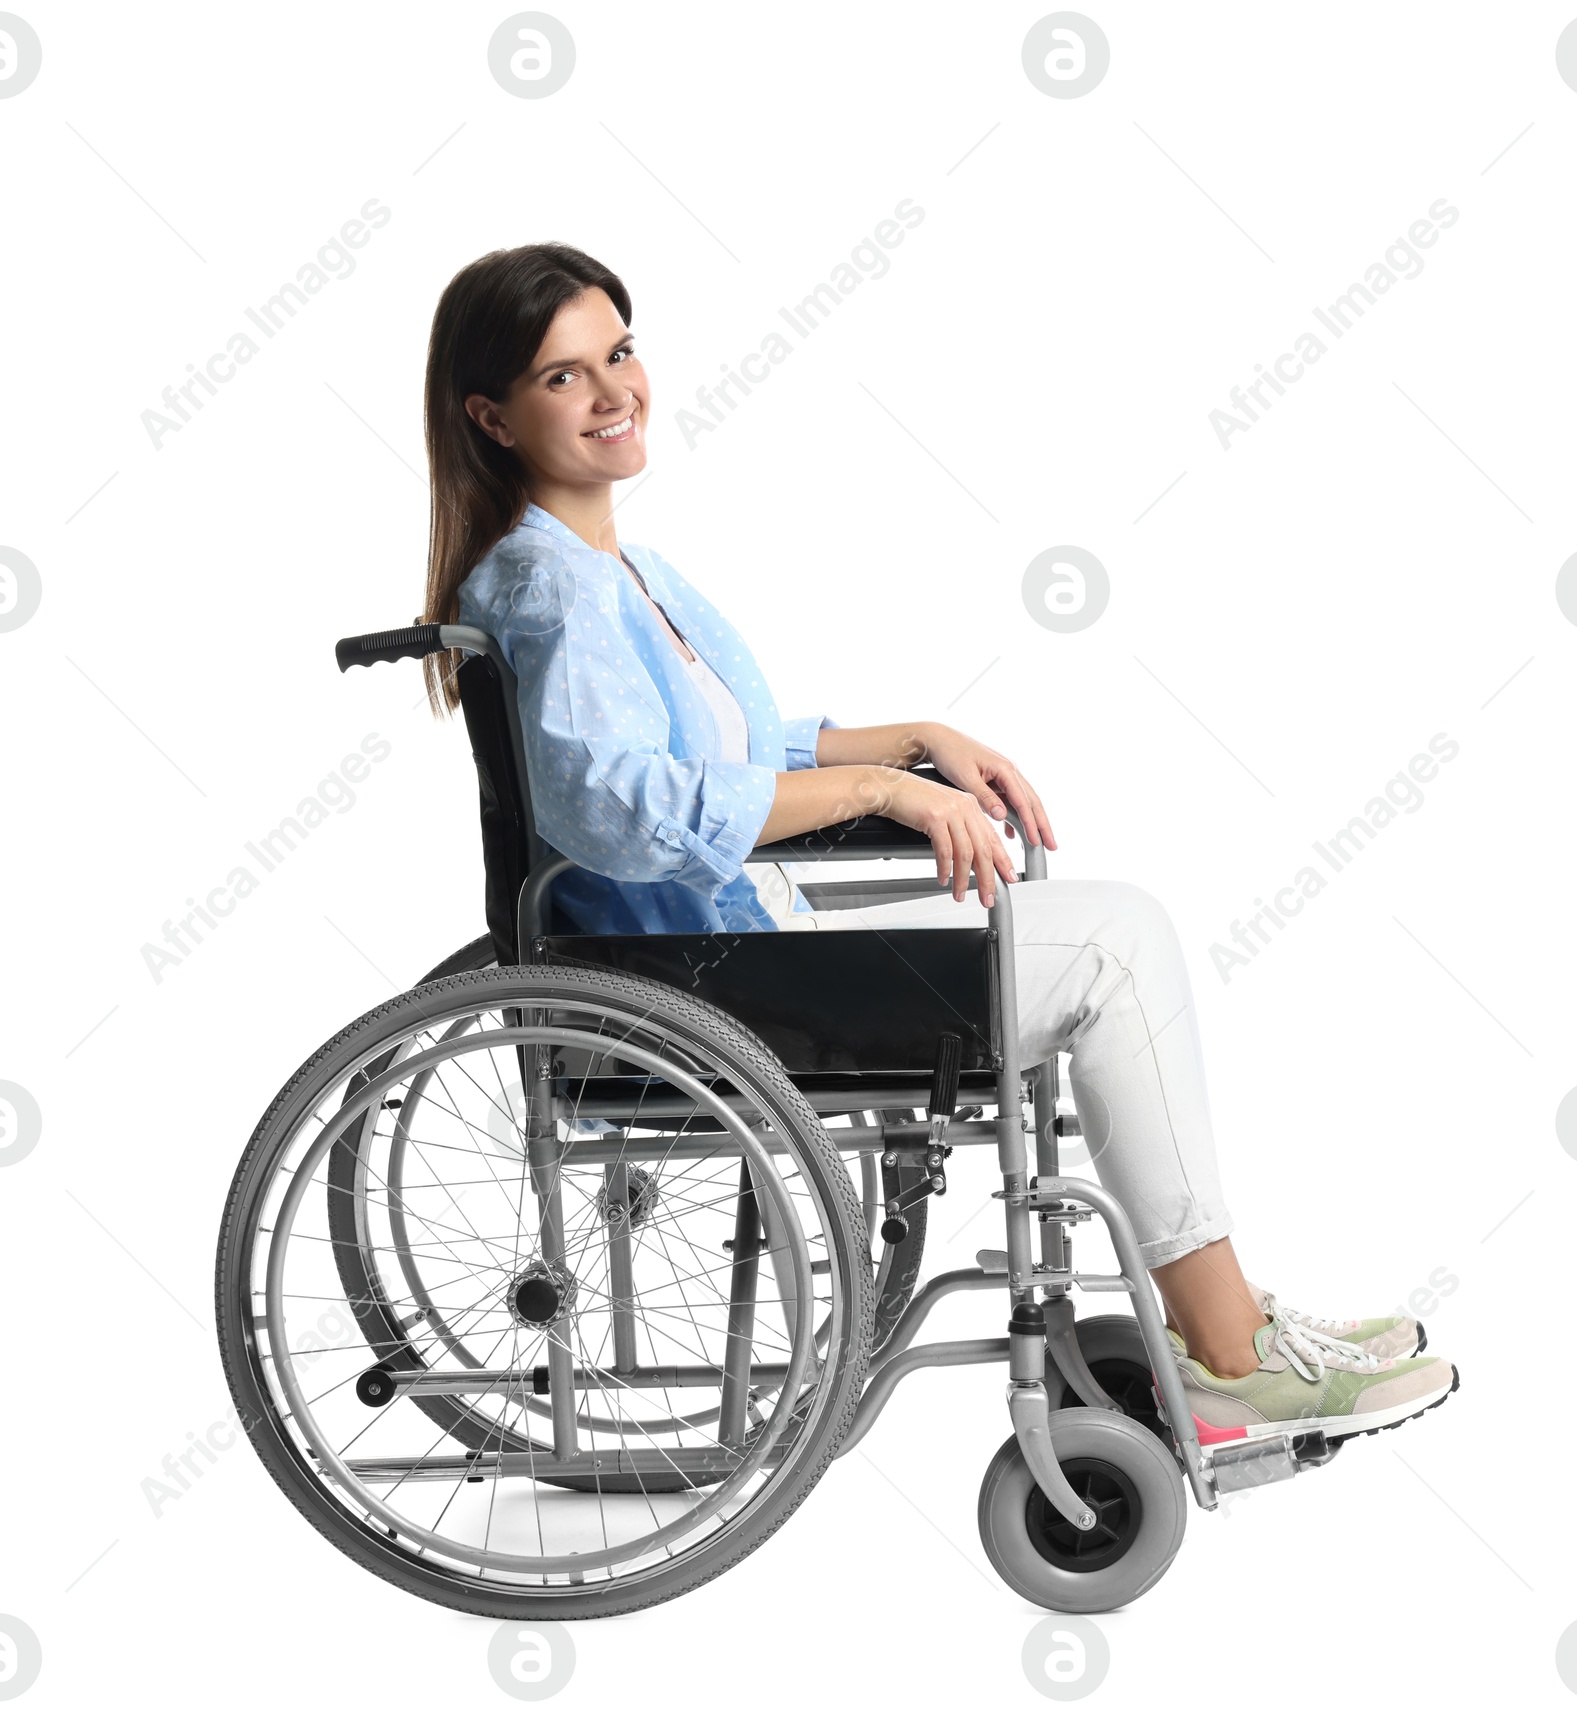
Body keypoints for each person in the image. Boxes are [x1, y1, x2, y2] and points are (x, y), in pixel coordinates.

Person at [419, 242, 1458, 1446]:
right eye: (565, 377)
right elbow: (621, 807)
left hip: (720, 956)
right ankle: (1228, 1346)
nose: (614, 392)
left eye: (621, 352)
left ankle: (1221, 1325)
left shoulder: (615, 569)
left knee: (1106, 929)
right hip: (687, 987)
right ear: (492, 417)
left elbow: (739, 747)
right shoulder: (551, 586)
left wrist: (910, 739)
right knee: (1113, 943)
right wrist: (884, 791)